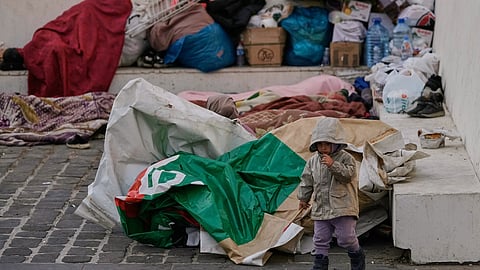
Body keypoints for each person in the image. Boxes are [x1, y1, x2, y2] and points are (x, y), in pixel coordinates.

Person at [298, 117, 365, 270]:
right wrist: (303, 197)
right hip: (321, 207)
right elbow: (307, 180)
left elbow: (348, 175)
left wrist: (333, 165)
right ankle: (320, 265)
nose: (324, 148)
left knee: (346, 238)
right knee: (320, 239)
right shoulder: (313, 162)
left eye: (327, 144)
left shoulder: (346, 158)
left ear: (336, 143)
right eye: (320, 144)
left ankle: (357, 255)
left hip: (343, 207)